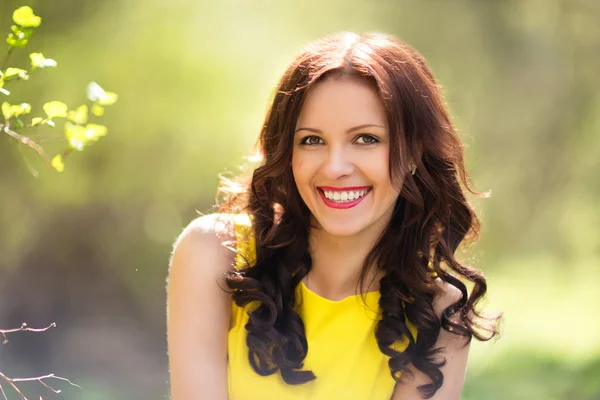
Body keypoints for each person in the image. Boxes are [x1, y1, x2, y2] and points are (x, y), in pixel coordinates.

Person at [166, 31, 500, 400]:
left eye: (366, 139)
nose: (335, 167)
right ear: (286, 152)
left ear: (414, 153)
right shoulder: (214, 253)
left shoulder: (436, 315)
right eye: (312, 140)